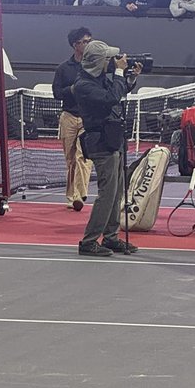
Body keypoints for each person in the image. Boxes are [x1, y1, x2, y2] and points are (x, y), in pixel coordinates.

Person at [73, 40, 138, 257]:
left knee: (117, 191)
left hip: (113, 139)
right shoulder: (84, 85)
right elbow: (110, 99)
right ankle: (89, 241)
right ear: (99, 62)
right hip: (100, 141)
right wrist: (119, 73)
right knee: (107, 194)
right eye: (108, 59)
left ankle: (111, 237)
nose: (112, 61)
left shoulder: (100, 79)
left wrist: (130, 77)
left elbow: (118, 91)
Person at [52, 26, 94, 212]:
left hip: (88, 118)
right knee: (71, 160)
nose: (88, 44)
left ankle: (79, 195)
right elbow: (56, 93)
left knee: (83, 157)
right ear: (75, 45)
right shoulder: (63, 68)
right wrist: (72, 90)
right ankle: (72, 196)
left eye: (89, 40)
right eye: (85, 41)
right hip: (68, 116)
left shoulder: (95, 66)